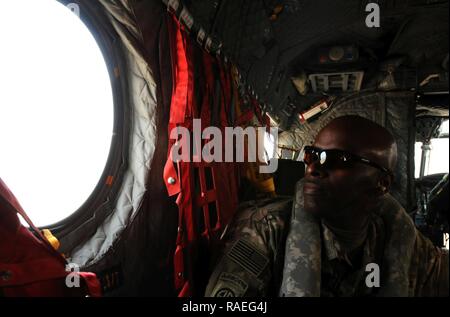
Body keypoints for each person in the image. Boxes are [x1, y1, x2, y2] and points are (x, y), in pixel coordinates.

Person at [205, 115, 449, 297]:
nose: (314, 168)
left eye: (339, 159)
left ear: (382, 184)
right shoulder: (267, 228)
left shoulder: (400, 241)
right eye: (312, 155)